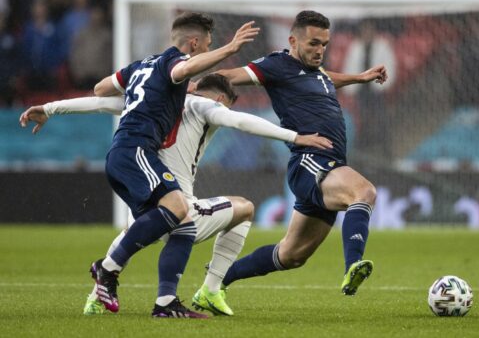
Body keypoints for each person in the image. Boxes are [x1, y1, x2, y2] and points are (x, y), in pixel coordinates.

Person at [20, 74, 332, 316]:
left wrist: (49, 108)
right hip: (182, 206)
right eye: (226, 103)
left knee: (135, 230)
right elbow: (240, 121)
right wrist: (294, 137)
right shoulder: (207, 106)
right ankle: (210, 289)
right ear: (222, 98)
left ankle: (95, 300)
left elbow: (98, 102)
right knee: (245, 208)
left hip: (148, 198)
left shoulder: (155, 102)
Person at [85, 12, 258, 318]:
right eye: (207, 45)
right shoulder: (174, 65)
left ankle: (164, 303)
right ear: (194, 43)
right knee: (183, 209)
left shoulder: (142, 67)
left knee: (176, 220)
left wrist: (51, 108)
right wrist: (230, 49)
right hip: (135, 150)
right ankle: (108, 268)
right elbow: (188, 68)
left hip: (125, 155)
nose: (207, 52)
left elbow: (100, 90)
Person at [216, 10, 387, 296]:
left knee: (290, 255)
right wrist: (191, 85)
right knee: (364, 192)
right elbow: (228, 75)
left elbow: (324, 79)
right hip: (311, 162)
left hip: (328, 165)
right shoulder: (277, 65)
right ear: (293, 40)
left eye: (324, 44)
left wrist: (359, 77)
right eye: (313, 44)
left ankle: (217, 281)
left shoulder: (314, 71)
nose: (320, 50)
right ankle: (353, 267)